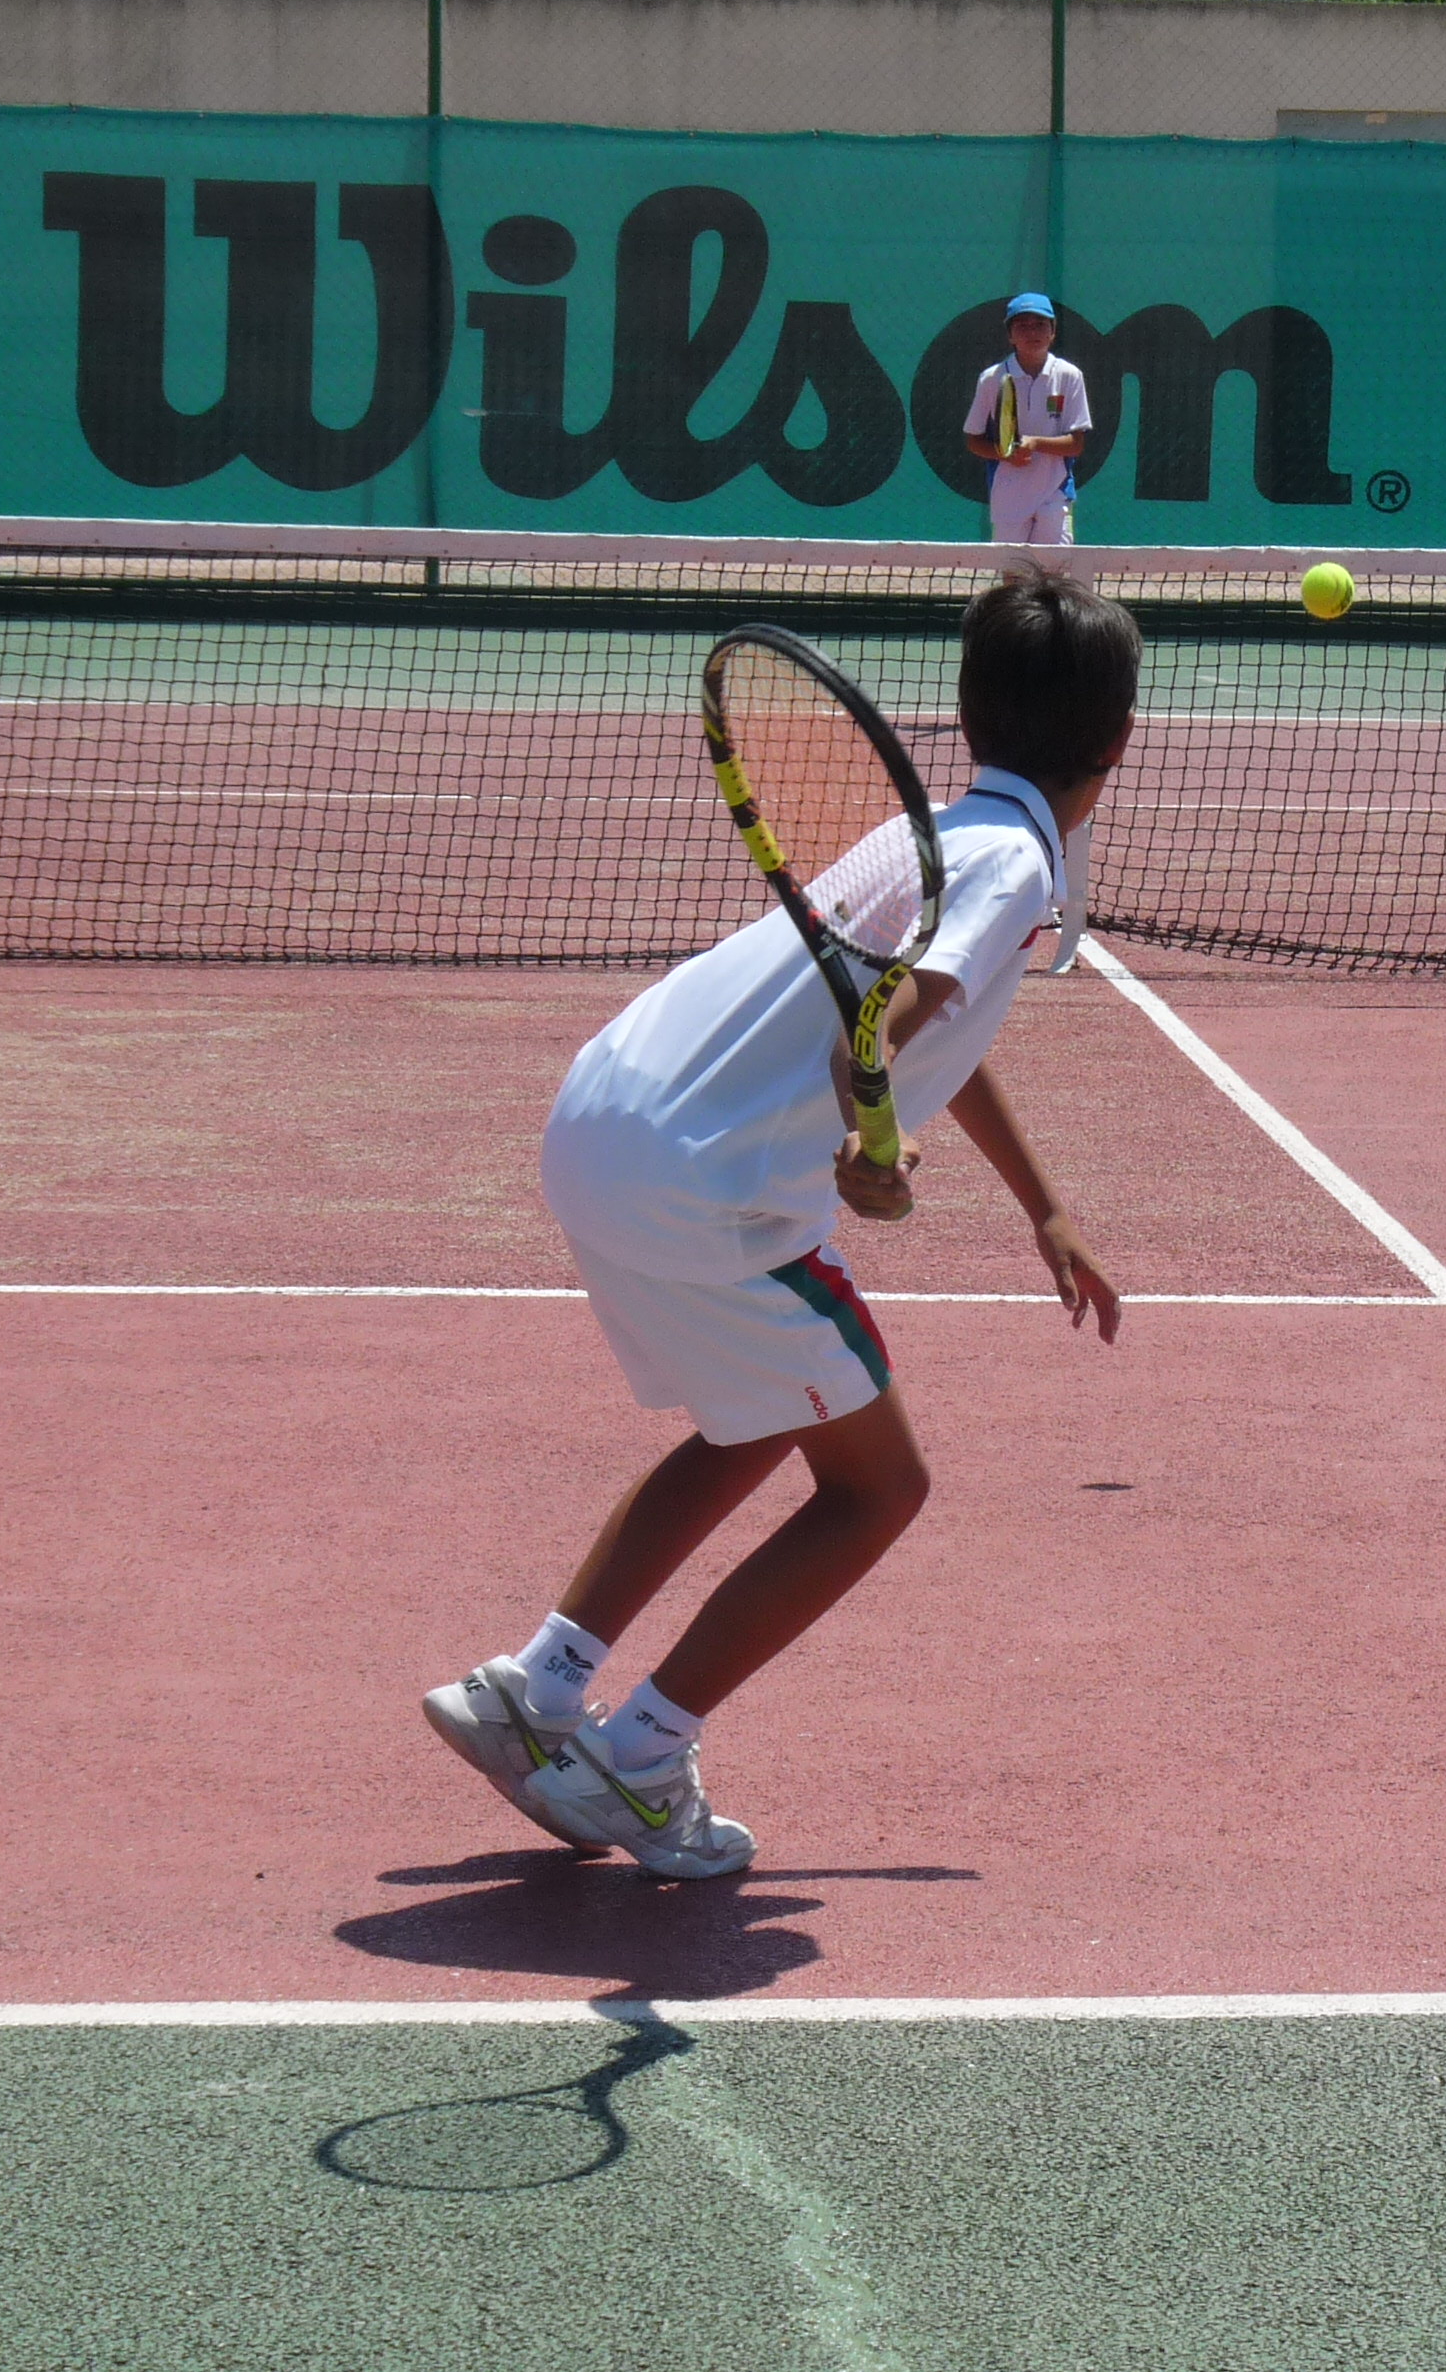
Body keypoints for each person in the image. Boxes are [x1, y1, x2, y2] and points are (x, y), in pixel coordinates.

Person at [424, 568, 1138, 1878]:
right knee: (879, 1488)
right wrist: (876, 1132)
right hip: (711, 1187)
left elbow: (936, 1019)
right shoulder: (1019, 860)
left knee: (759, 1417)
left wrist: (1043, 1202)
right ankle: (640, 1759)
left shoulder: (927, 837)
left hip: (603, 1121)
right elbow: (901, 1018)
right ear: (1120, 744)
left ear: (969, 717)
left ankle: (539, 1685)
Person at [966, 292, 1091, 548]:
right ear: (1010, 335)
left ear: (1052, 332)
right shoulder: (991, 379)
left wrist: (1034, 443)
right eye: (1022, 326)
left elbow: (1076, 444)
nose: (1031, 332)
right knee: (1012, 571)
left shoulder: (1070, 376)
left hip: (1055, 494)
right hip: (1008, 495)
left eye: (1040, 325)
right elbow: (974, 440)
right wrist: (1006, 454)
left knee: (1054, 569)